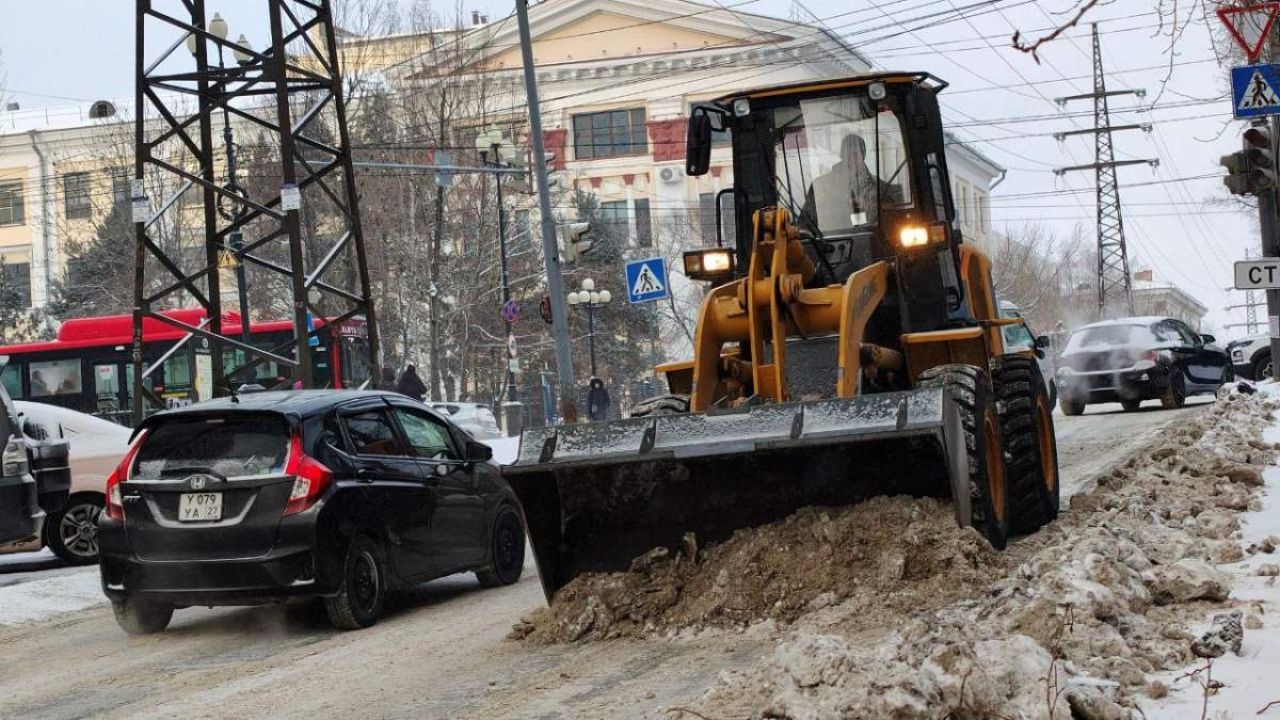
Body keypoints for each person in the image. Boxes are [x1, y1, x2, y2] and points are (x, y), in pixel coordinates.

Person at [802, 133, 903, 232]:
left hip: (871, 241)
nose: (852, 158)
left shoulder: (878, 186)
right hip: (831, 241)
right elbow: (805, 223)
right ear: (842, 155)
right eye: (848, 153)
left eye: (856, 153)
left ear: (863, 156)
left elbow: (893, 220)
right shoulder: (821, 186)